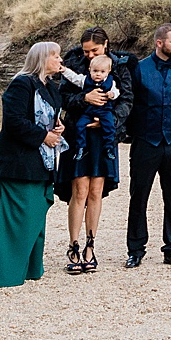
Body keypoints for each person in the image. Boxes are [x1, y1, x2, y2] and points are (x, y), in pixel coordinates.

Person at [0, 41, 69, 288]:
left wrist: (59, 127)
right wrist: (43, 136)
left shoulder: (51, 86)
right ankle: (5, 275)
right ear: (42, 59)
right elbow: (13, 121)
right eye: (55, 56)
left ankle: (30, 269)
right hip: (18, 163)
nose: (60, 61)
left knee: (35, 217)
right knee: (16, 218)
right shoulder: (21, 83)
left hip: (42, 161)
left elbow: (51, 116)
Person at [121, 22, 171, 268]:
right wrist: (137, 132)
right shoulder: (140, 69)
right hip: (145, 141)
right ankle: (135, 248)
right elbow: (130, 104)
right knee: (139, 196)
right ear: (159, 43)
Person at [56, 29, 121, 274]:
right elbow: (62, 98)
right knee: (79, 190)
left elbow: (125, 102)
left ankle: (90, 246)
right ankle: (73, 245)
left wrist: (110, 122)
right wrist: (86, 98)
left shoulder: (117, 67)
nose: (89, 54)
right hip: (78, 135)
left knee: (96, 191)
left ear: (106, 45)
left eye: (94, 50)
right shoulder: (75, 66)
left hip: (103, 135)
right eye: (86, 51)